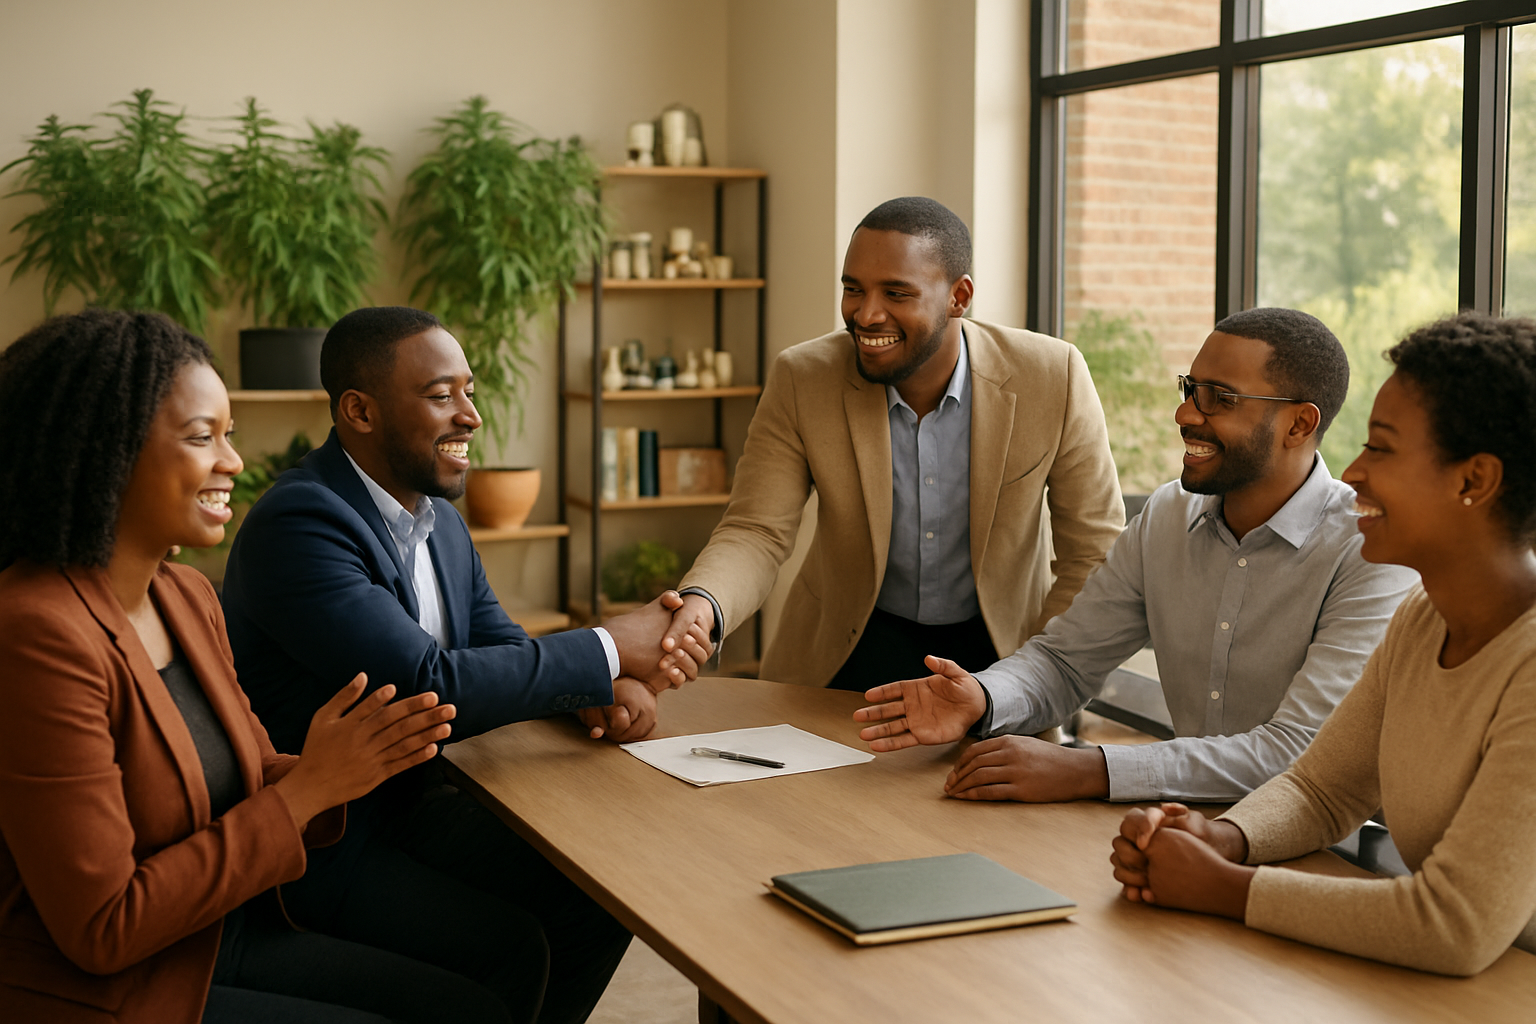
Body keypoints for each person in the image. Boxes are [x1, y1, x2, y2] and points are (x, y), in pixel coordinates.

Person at [0, 309, 507, 1023]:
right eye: (202, 437)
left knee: (470, 1005)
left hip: (214, 933)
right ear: (105, 449)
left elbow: (251, 772)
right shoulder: (35, 633)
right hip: (111, 988)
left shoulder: (184, 596)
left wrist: (335, 764)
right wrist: (308, 792)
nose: (233, 462)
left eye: (228, 435)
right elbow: (103, 929)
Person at [221, 306, 709, 1024]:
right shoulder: (301, 523)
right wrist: (611, 646)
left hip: (432, 799)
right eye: (441, 394)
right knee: (509, 947)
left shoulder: (439, 519)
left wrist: (587, 690)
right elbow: (426, 684)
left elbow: (496, 646)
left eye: (469, 391)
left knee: (610, 888)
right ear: (359, 410)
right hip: (334, 842)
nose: (471, 416)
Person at [1109, 311, 1536, 976]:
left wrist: (1223, 887)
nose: (1356, 472)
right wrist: (1219, 839)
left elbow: (1455, 925)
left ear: (1473, 481)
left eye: (1384, 449)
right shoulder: (1424, 619)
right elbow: (1320, 790)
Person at [855, 308, 1418, 803]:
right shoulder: (1168, 516)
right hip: (1178, 824)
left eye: (1220, 399)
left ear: (1300, 423)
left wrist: (1092, 769)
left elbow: (1298, 753)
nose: (1187, 415)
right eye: (1189, 389)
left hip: (1328, 857)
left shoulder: (1371, 551)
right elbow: (1066, 661)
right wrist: (982, 697)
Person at [662, 196, 1125, 691]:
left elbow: (1093, 552)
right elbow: (757, 529)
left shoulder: (1053, 376)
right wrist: (703, 605)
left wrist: (1036, 675)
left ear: (958, 296)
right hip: (845, 653)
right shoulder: (801, 377)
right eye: (853, 289)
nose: (866, 314)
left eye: (896, 293)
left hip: (998, 659)